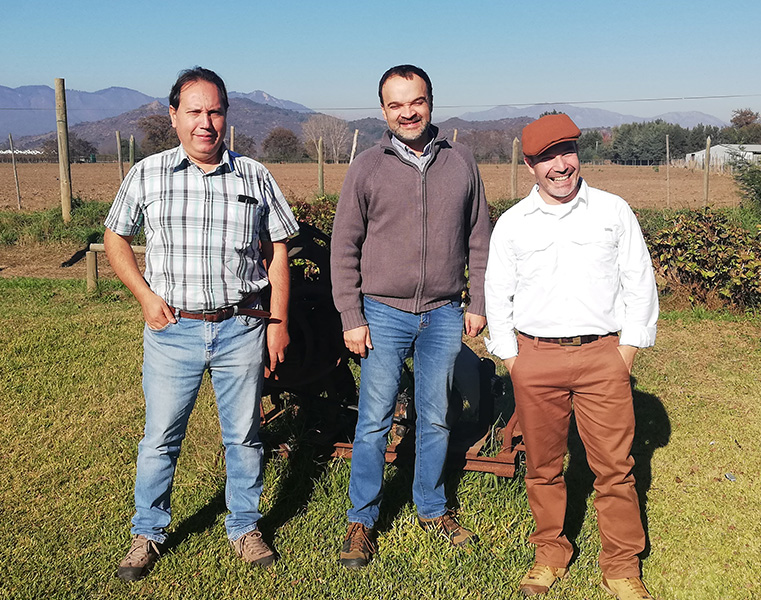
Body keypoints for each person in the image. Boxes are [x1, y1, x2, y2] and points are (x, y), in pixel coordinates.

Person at [105, 67, 298, 581]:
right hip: (174, 331)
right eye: (194, 112)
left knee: (244, 436)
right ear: (174, 117)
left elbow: (279, 252)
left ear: (226, 116)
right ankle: (147, 532)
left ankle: (244, 526)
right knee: (160, 438)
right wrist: (145, 296)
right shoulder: (147, 175)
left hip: (241, 328)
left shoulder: (255, 176)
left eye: (215, 111)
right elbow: (115, 238)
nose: (206, 122)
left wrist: (277, 321)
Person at [484, 114, 659, 600]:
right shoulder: (513, 223)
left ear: (578, 154)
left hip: (602, 356)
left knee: (615, 468)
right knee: (543, 467)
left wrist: (625, 352)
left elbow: (638, 282)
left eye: (567, 152)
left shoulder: (612, 211)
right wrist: (513, 358)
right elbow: (497, 294)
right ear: (529, 165)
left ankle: (621, 566)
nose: (559, 166)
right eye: (546, 158)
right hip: (535, 359)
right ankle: (550, 553)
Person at [330, 64, 491, 569]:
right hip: (382, 313)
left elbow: (479, 239)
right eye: (396, 104)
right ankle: (362, 519)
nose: (407, 112)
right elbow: (344, 245)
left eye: (415, 101)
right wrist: (351, 313)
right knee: (374, 420)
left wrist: (478, 302)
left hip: (443, 312)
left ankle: (432, 506)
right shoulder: (367, 166)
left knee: (437, 415)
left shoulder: (461, 162)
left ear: (430, 102)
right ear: (383, 111)